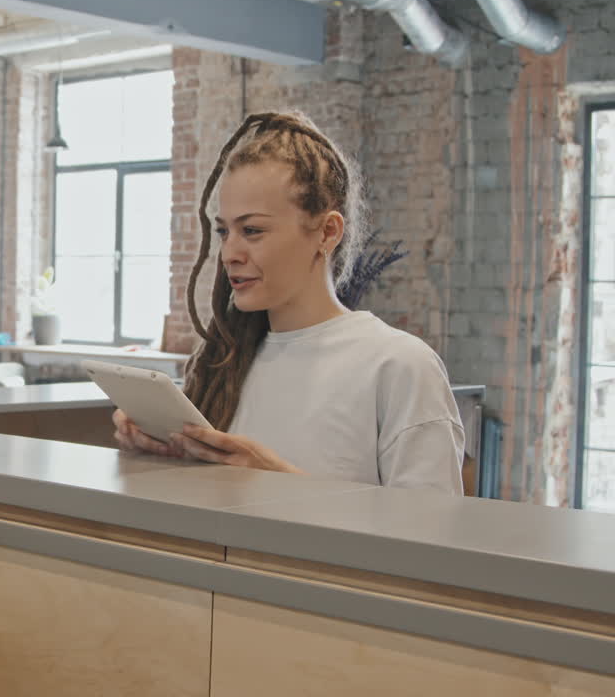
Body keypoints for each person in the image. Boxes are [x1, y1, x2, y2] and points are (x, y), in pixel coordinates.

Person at [113, 112, 464, 494]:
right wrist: (155, 451)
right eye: (224, 231)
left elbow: (430, 538)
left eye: (252, 231)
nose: (229, 252)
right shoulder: (221, 363)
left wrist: (280, 483)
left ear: (327, 232)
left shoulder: (400, 367)